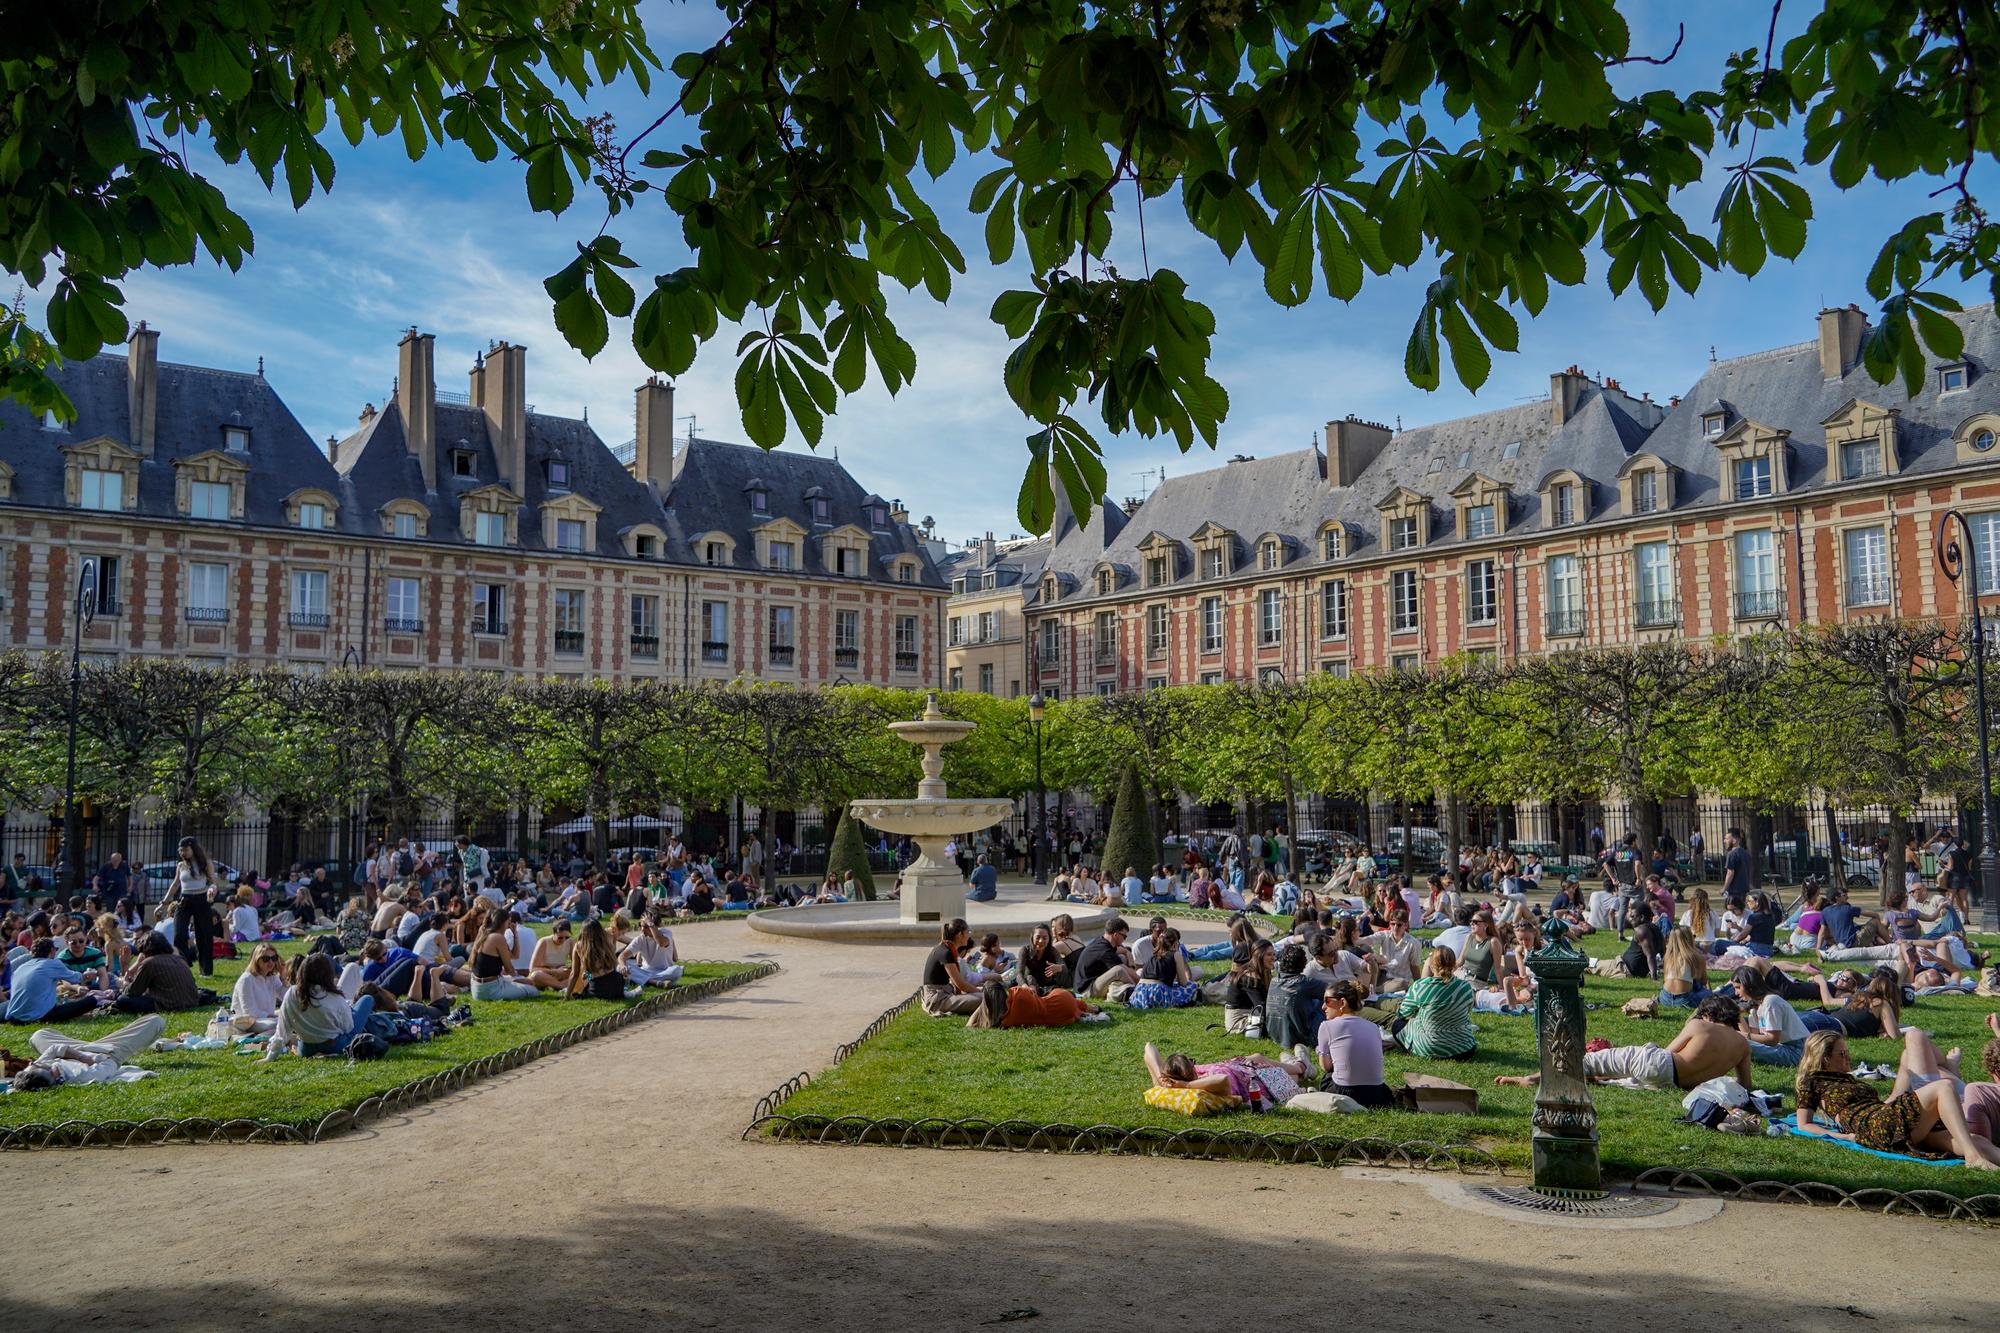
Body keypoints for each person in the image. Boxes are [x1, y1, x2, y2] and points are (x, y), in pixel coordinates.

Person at [1793, 1030, 2000, 1169]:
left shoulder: (1847, 1079)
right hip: (1873, 1126)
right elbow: (1804, 1125)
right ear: (1826, 1058)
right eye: (1842, 1053)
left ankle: (1977, 1154)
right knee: (1943, 1087)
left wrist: (1906, 1064)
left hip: (1885, 1119)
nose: (1848, 1056)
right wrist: (1843, 1137)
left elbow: (1891, 1098)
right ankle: (1973, 1158)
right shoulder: (1812, 1081)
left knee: (1975, 1139)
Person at [1497, 995, 1753, 1091]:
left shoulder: (1701, 1025)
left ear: (1708, 1015)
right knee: (1616, 1078)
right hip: (1673, 1084)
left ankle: (1531, 1079)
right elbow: (1745, 1085)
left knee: (1588, 1061)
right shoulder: (1743, 1046)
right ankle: (1597, 1079)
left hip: (1661, 1065)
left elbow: (1668, 1052)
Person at [6, 1012, 167, 1091]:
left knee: (38, 1035)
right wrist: (87, 1058)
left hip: (76, 1049)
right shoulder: (84, 1076)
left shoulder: (41, 1066)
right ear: (54, 1074)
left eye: (33, 1064)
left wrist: (81, 1056)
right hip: (107, 1052)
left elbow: (54, 1049)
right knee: (156, 1021)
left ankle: (84, 1047)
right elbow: (109, 1064)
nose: (33, 1062)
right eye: (36, 1065)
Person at [1142, 1041, 1308, 1109]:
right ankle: (1301, 1066)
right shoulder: (1204, 1085)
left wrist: (1161, 1076)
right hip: (1257, 1079)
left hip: (1240, 1066)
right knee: (1293, 1078)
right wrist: (1186, 1085)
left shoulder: (1165, 1082)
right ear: (1191, 1071)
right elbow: (1223, 1079)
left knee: (1257, 1057)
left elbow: (1149, 1047)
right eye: (1192, 1063)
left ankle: (1297, 1064)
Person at [269, 953, 374, 1058]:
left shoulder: (292, 993)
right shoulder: (334, 997)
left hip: (305, 1048)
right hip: (334, 1045)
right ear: (328, 974)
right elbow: (348, 1027)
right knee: (367, 999)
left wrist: (270, 1057)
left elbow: (282, 1029)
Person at [1315, 981, 1393, 1107]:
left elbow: (1325, 1067)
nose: (1323, 1007)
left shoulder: (1326, 1026)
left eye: (1327, 1001)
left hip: (1345, 1091)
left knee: (1327, 1077)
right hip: (1377, 1095)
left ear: (1342, 1002)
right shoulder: (1373, 1027)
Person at [1393, 947, 1477, 1060]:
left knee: (1397, 1025)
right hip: (1464, 1049)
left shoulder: (1420, 986)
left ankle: (1415, 1045)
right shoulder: (1465, 987)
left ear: (1431, 965)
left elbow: (1402, 1013)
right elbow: (1468, 1009)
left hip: (1430, 1047)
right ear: (1454, 965)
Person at [163, 836, 221, 976]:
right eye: (181, 850)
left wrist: (212, 890)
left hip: (202, 899)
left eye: (185, 850)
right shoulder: (181, 865)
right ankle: (183, 965)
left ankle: (206, 970)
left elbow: (213, 882)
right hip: (185, 900)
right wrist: (164, 902)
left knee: (204, 936)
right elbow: (175, 884)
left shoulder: (205, 863)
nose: (183, 853)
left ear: (193, 849)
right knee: (179, 934)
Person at [3, 938, 96, 1023]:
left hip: (14, 1018)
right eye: (55, 949)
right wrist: (88, 974)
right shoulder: (51, 963)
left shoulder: (21, 968)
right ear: (51, 951)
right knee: (92, 1000)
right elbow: (76, 978)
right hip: (37, 1017)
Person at [1800, 967, 1903, 1041]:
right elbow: (1895, 1036)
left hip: (1820, 1016)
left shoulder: (1859, 997)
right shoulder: (1881, 1003)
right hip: (1832, 1025)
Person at [1734, 964, 1808, 1064]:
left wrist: (1742, 1035)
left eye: (1738, 987)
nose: (1736, 993)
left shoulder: (1771, 1002)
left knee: (1738, 1044)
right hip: (1781, 1046)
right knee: (1738, 1042)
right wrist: (1736, 1014)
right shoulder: (1755, 1007)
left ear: (1749, 985)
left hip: (1798, 1050)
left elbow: (1772, 1039)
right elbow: (1754, 1037)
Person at [1264, 943, 1326, 1054]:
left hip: (1276, 1036)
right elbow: (1333, 991)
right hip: (1301, 1040)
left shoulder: (1274, 980)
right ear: (1303, 963)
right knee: (1323, 1001)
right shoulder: (1305, 983)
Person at [971, 978, 1099, 1028]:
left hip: (1061, 1018)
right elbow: (1033, 993)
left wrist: (984, 1003)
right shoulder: (1017, 993)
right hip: (1061, 999)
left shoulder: (1006, 1022)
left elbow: (969, 1025)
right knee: (1065, 999)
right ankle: (1092, 1008)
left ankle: (1087, 1009)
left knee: (1070, 1005)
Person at [467, 913, 540, 1000]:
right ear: (502, 922)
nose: (509, 925)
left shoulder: (485, 933)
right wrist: (521, 979)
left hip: (479, 987)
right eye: (508, 922)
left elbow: (515, 956)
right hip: (490, 989)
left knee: (527, 982)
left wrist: (515, 935)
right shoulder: (498, 937)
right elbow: (509, 970)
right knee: (533, 990)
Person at [921, 919, 983, 1015]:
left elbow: (959, 984)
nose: (969, 935)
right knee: (983, 998)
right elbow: (961, 985)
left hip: (944, 993)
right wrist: (980, 992)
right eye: (968, 932)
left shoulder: (946, 948)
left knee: (982, 995)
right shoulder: (945, 952)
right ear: (960, 935)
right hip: (938, 1000)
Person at [1127, 927, 1199, 1009]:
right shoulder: (1176, 954)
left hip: (1140, 995)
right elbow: (1183, 983)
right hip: (1158, 994)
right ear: (1175, 943)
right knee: (1192, 986)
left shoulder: (1153, 956)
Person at [1069, 918, 1139, 999]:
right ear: (1116, 935)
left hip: (1094, 982)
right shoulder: (1104, 951)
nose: (1124, 939)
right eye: (1124, 936)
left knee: (1122, 958)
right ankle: (1137, 992)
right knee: (1118, 970)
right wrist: (1142, 982)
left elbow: (1124, 951)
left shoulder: (1102, 941)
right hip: (1087, 991)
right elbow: (1125, 970)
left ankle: (1125, 989)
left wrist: (1128, 954)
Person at [229, 943, 287, 1034]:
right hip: (247, 1022)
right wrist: (273, 1016)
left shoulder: (272, 978)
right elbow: (249, 1011)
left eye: (274, 958)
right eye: (266, 959)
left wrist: (283, 976)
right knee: (280, 1023)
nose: (271, 962)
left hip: (267, 1019)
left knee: (292, 1017)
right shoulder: (246, 979)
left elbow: (286, 998)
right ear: (256, 960)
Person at [565, 919, 628, 1000]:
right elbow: (612, 965)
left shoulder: (579, 946)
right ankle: (627, 993)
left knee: (581, 992)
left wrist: (567, 996)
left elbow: (574, 974)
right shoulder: (606, 942)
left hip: (599, 987)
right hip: (617, 981)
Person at [620, 913, 684, 989]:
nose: (642, 929)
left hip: (664, 971)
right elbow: (622, 956)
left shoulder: (666, 933)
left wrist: (650, 924)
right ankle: (655, 983)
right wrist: (623, 965)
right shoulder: (640, 939)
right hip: (645, 971)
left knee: (677, 970)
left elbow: (661, 943)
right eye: (641, 926)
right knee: (619, 967)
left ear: (655, 926)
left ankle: (642, 980)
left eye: (646, 927)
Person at [1224, 939, 1273, 1036]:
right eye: (1269, 955)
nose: (1273, 958)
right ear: (1259, 956)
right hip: (1238, 1020)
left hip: (1251, 1012)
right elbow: (1261, 1007)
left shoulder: (1263, 971)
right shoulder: (1250, 975)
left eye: (1274, 954)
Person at [1657, 926, 1709, 1008]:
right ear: (1689, 938)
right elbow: (1703, 981)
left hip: (1665, 998)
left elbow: (1665, 979)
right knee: (1708, 994)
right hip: (1685, 1000)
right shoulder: (1696, 957)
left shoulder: (1668, 957)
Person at [1016, 924, 1070, 993]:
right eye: (1038, 937)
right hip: (1029, 985)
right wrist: (1024, 986)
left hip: (1047, 987)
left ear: (1049, 939)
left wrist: (1059, 967)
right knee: (1030, 978)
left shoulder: (1052, 951)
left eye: (1044, 938)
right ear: (1032, 937)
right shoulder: (1025, 950)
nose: (1041, 941)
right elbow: (1019, 973)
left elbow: (1065, 968)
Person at [1720, 826, 1755, 909]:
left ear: (1734, 840)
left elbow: (1730, 873)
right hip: (1744, 889)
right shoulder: (1746, 854)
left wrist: (1724, 888)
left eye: (1727, 839)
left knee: (1734, 911)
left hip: (1734, 890)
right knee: (1741, 910)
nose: (1724, 841)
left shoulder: (1731, 854)